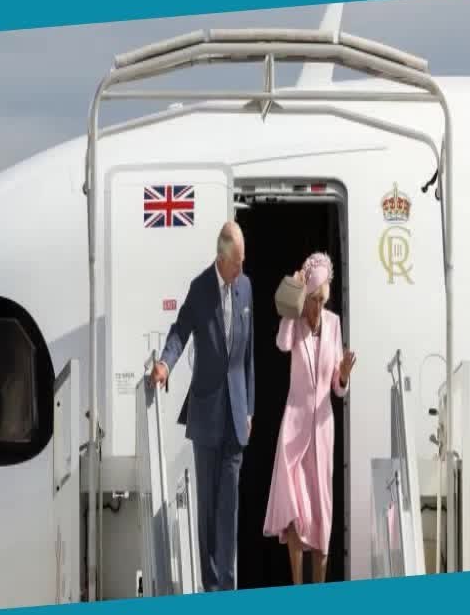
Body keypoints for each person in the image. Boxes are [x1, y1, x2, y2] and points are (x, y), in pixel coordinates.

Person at [150, 221, 255, 592]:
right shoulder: (200, 288)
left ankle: (227, 587)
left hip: (236, 416)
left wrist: (250, 408)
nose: (242, 269)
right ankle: (210, 586)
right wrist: (164, 364)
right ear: (221, 257)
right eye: (237, 263)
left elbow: (248, 356)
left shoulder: (245, 288)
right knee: (208, 507)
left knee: (230, 508)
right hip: (208, 413)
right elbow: (180, 331)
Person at [263, 252, 355, 585]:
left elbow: (337, 387)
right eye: (313, 299)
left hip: (322, 428)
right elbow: (281, 343)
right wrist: (295, 298)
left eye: (321, 300)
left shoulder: (333, 324)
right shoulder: (297, 319)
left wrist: (343, 376)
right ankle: (298, 589)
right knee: (294, 512)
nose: (317, 307)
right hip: (294, 426)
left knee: (321, 509)